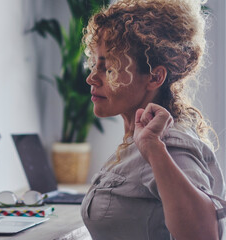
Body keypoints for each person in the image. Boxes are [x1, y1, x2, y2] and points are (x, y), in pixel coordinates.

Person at [81, 0, 226, 239]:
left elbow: (204, 236)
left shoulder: (167, 143)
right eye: (95, 64)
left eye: (109, 69)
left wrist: (154, 148)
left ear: (155, 77)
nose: (91, 78)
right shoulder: (136, 139)